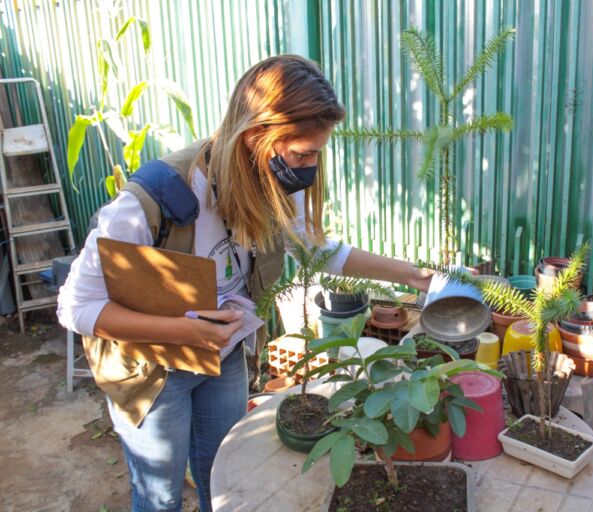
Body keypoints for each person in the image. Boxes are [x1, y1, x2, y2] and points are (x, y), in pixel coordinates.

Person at [57, 55, 433, 512]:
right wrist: (187, 332)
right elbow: (75, 307)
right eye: (303, 154)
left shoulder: (269, 185)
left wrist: (413, 275)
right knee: (160, 498)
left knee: (227, 478)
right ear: (256, 137)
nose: (310, 167)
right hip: (155, 373)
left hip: (225, 355)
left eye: (317, 153)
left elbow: (316, 249)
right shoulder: (152, 202)